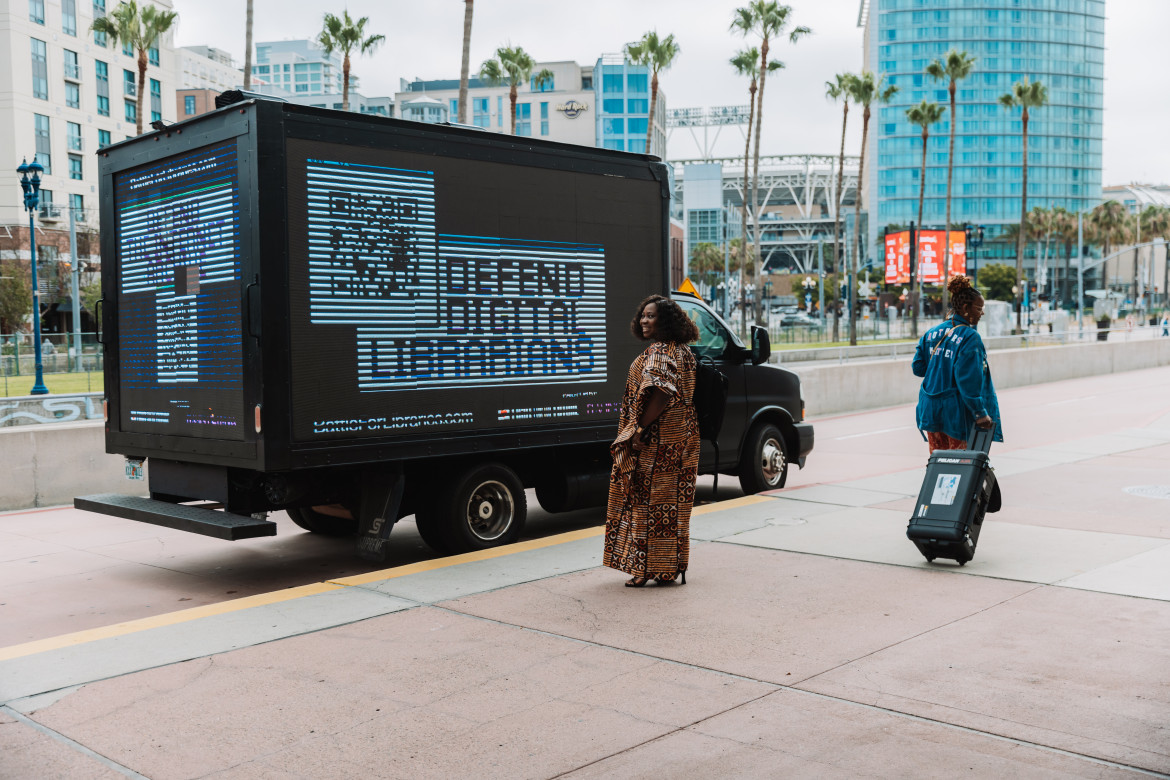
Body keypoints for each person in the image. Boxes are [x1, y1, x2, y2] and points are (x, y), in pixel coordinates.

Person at [604, 294, 700, 587]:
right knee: (673, 505)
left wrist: (638, 429)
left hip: (656, 441)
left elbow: (660, 392)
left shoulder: (659, 351)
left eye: (652, 316)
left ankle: (644, 569)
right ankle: (669, 567)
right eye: (643, 315)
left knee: (645, 502)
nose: (645, 320)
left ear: (665, 321)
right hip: (683, 437)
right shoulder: (682, 350)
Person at [912, 275, 1002, 452]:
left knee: (938, 464)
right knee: (960, 467)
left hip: (930, 410)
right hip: (955, 414)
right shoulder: (969, 337)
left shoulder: (931, 333)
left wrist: (940, 363)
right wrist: (980, 413)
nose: (981, 313)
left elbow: (918, 368)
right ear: (966, 308)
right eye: (978, 308)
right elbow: (968, 381)